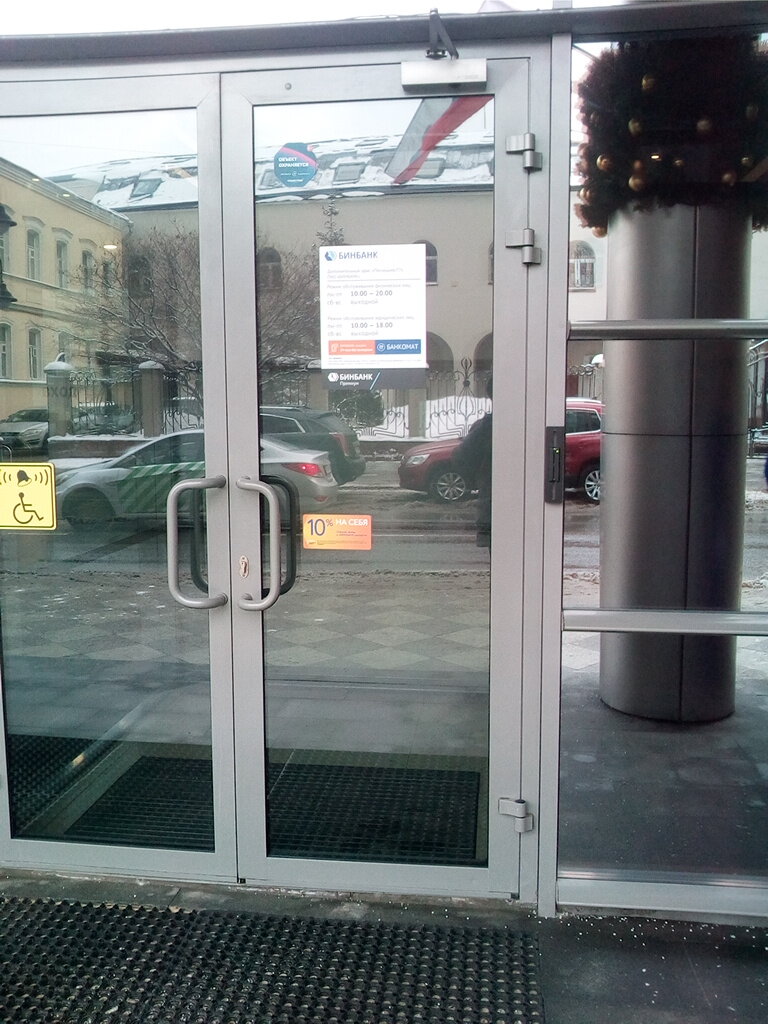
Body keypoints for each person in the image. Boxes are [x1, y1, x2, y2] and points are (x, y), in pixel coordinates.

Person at [453, 377, 492, 549]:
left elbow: (461, 458)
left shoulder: (485, 428)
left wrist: (479, 480)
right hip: (527, 514)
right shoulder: (530, 424)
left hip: (491, 506)